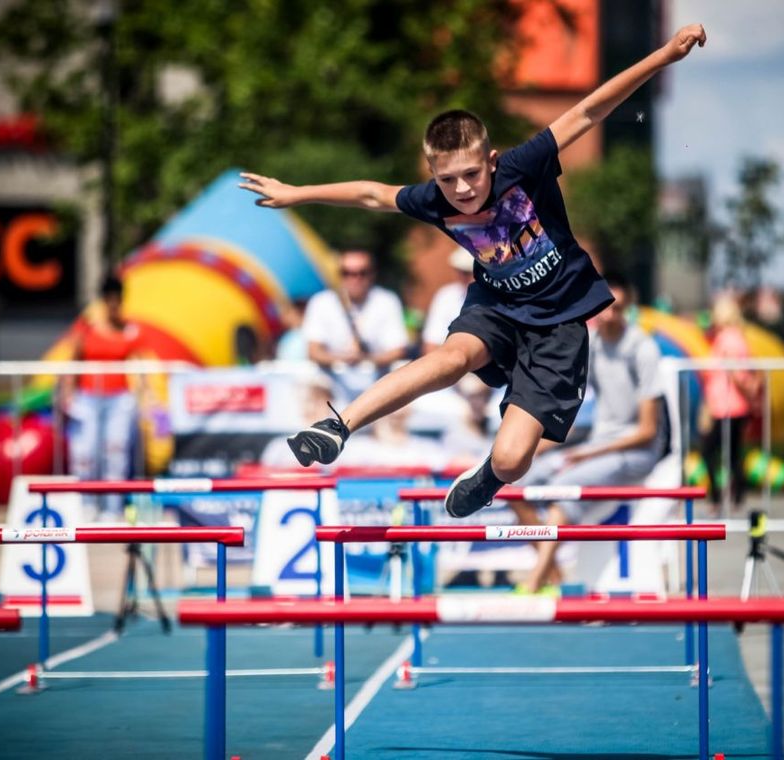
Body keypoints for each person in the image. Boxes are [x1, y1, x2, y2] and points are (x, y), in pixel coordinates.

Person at [239, 23, 707, 518]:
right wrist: (297, 193)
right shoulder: (434, 201)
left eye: (471, 175)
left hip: (559, 322)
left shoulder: (523, 167)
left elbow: (589, 110)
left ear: (491, 161)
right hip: (497, 307)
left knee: (511, 459)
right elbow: (372, 194)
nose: (462, 190)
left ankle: (487, 475)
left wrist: (662, 56)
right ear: (432, 174)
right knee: (450, 358)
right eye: (447, 180)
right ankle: (339, 426)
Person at [510, 273, 668, 593]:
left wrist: (586, 452)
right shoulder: (591, 344)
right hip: (600, 443)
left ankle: (533, 584)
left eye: (617, 308)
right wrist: (541, 444)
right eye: (605, 307)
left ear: (628, 309)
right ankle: (554, 578)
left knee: (563, 487)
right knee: (515, 485)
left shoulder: (643, 349)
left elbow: (647, 432)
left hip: (636, 452)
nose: (609, 314)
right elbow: (579, 412)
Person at [60, 275, 144, 519]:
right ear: (104, 300)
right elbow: (73, 361)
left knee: (115, 455)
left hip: (119, 400)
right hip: (87, 398)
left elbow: (140, 367)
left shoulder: (130, 330)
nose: (114, 305)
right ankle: (85, 506)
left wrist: (149, 400)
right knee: (85, 455)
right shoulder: (86, 327)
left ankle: (112, 509)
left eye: (118, 300)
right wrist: (67, 394)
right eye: (110, 300)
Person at [302, 249, 410, 397]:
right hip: (332, 382)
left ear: (372, 274)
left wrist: (365, 360)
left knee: (400, 395)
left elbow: (398, 350)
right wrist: (343, 359)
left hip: (377, 381)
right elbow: (313, 351)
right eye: (347, 273)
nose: (355, 278)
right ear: (340, 275)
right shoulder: (321, 302)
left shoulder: (387, 301)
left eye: (362, 272)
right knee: (315, 391)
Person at [699, 292, 759, 515]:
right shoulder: (732, 337)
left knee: (711, 452)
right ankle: (734, 497)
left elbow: (736, 373)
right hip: (726, 405)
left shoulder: (728, 338)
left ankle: (720, 497)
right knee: (732, 454)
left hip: (729, 406)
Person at [421, 247, 476, 353]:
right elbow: (431, 342)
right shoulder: (446, 296)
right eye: (459, 271)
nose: (461, 276)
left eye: (467, 272)